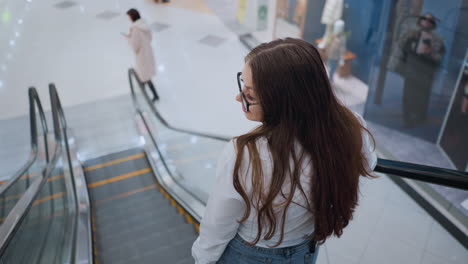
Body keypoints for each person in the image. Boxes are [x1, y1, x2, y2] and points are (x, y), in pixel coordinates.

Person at [192, 38, 377, 264]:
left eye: (249, 95)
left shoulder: (246, 154)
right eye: (243, 86)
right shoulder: (350, 126)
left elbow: (218, 224)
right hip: (304, 250)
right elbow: (368, 163)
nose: (238, 97)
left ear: (282, 101)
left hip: (250, 254)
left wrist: (202, 259)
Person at [399, 13, 445, 127]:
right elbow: (403, 49)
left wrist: (431, 52)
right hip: (412, 68)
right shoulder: (411, 34)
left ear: (432, 24)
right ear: (420, 21)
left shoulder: (438, 40)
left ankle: (420, 117)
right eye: (424, 19)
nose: (427, 22)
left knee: (422, 96)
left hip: (426, 71)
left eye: (430, 20)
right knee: (408, 94)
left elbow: (440, 57)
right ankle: (407, 119)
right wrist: (413, 46)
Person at [125, 8, 159, 101]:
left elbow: (135, 46)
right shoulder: (144, 24)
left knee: (144, 76)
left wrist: (129, 38)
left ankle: (152, 95)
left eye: (129, 17)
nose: (129, 19)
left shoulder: (135, 29)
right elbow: (150, 37)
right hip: (148, 51)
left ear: (132, 17)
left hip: (141, 55)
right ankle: (147, 93)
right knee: (144, 76)